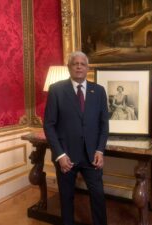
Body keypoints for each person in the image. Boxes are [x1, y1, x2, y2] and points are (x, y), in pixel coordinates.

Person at [44, 51, 109, 225]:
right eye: (75, 63)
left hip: (92, 157)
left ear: (87, 68)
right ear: (69, 67)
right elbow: (49, 125)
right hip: (66, 158)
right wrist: (59, 155)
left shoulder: (99, 91)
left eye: (82, 64)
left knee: (98, 196)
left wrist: (100, 150)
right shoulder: (56, 90)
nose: (79, 66)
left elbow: (104, 125)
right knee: (66, 199)